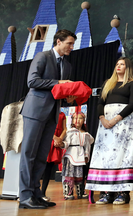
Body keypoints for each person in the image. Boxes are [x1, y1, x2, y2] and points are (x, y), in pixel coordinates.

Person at [19, 29, 77, 209]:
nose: (71, 47)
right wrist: (58, 83)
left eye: (72, 44)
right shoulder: (42, 56)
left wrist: (68, 96)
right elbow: (32, 82)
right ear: (58, 42)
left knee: (41, 157)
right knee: (29, 154)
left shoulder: (67, 66)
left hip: (53, 114)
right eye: (69, 43)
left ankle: (36, 194)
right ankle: (25, 197)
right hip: (35, 111)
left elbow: (60, 91)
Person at [86, 57, 133, 205]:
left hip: (123, 124)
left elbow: (132, 104)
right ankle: (106, 192)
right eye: (117, 64)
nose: (118, 66)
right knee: (105, 156)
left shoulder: (132, 84)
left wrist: (116, 119)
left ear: (127, 67)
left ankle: (123, 193)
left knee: (122, 155)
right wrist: (102, 118)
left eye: (122, 64)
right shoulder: (108, 83)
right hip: (105, 126)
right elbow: (100, 103)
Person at [61, 112, 94, 200]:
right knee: (69, 173)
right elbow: (66, 143)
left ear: (84, 120)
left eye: (80, 118)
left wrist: (86, 156)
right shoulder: (69, 132)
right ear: (72, 120)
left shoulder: (86, 134)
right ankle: (68, 193)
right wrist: (62, 144)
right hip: (71, 155)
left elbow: (87, 146)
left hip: (80, 156)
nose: (77, 120)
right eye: (75, 118)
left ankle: (81, 192)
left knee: (80, 175)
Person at [41, 111, 67, 201]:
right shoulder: (48, 112)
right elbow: (44, 127)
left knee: (49, 169)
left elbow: (64, 129)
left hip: (56, 143)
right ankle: (34, 191)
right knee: (41, 168)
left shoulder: (62, 114)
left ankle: (42, 192)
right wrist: (54, 137)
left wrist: (60, 139)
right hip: (48, 140)